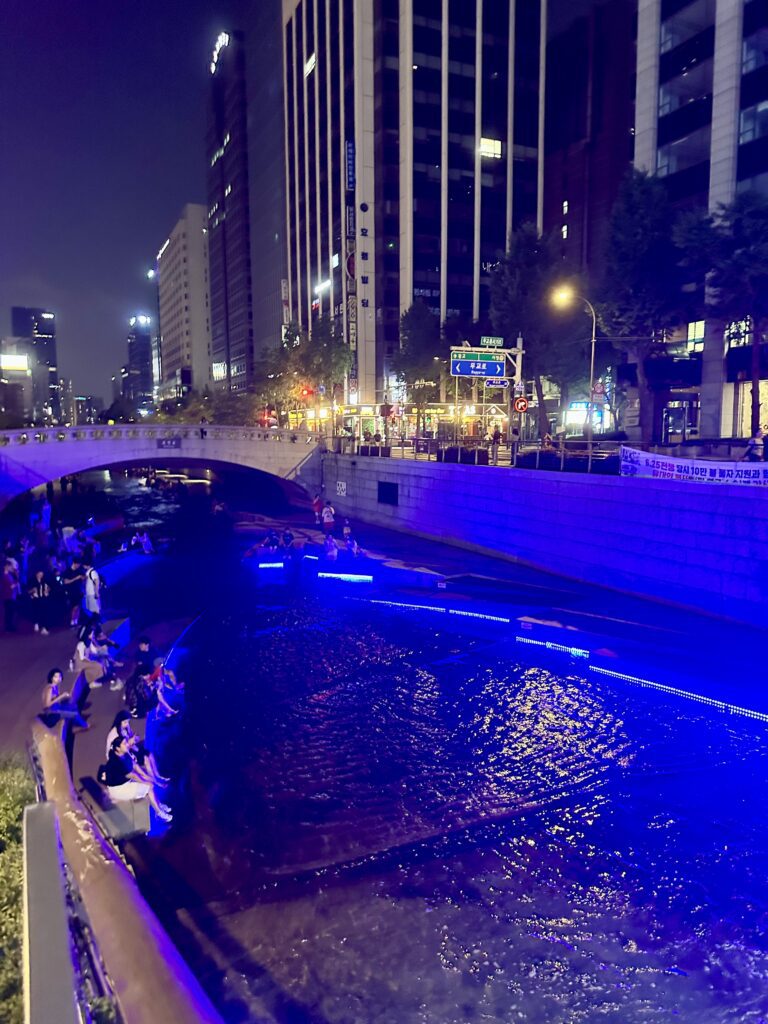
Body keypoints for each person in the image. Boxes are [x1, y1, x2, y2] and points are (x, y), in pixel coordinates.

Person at [100, 736, 172, 821]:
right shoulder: (116, 763)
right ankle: (159, 813)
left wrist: (154, 780)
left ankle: (158, 804)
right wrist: (154, 783)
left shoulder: (125, 755)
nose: (127, 744)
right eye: (124, 743)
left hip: (126, 782)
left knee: (150, 784)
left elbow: (137, 768)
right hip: (119, 789)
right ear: (118, 748)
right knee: (149, 787)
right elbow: (135, 776)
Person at [61, 557, 85, 627]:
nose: (78, 566)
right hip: (71, 592)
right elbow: (65, 582)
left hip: (79, 591)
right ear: (74, 563)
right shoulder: (67, 571)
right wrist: (75, 578)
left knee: (78, 606)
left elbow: (83, 578)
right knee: (74, 607)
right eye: (77, 565)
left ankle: (76, 621)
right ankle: (72, 621)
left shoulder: (79, 570)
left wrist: (83, 578)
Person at [28, 570, 52, 635]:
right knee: (37, 612)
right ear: (36, 574)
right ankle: (36, 623)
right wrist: (33, 590)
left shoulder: (44, 580)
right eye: (39, 574)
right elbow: (28, 591)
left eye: (42, 574)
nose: (40, 575)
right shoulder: (32, 581)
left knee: (45, 613)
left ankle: (44, 627)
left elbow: (49, 587)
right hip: (36, 599)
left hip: (44, 599)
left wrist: (47, 590)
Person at [1, 559, 20, 632]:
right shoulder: (4, 576)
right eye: (9, 566)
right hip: (8, 596)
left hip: (11, 596)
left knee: (10, 612)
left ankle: (10, 626)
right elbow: (10, 586)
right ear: (6, 566)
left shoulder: (9, 575)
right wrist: (16, 583)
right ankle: (8, 627)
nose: (11, 568)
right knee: (9, 612)